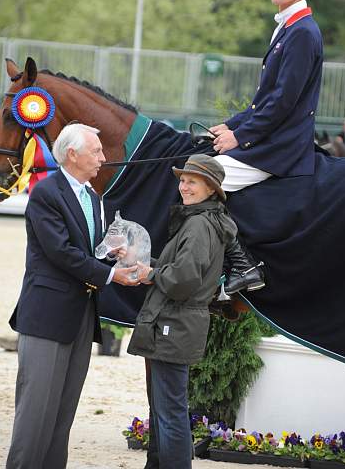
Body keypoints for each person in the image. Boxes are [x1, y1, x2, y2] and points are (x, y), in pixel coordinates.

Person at [6, 123, 138, 469]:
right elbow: (61, 252)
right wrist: (111, 274)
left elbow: (86, 251)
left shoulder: (93, 197)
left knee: (63, 414)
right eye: (96, 151)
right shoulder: (46, 193)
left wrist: (112, 253)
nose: (103, 157)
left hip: (81, 313)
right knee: (36, 414)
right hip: (47, 315)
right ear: (72, 154)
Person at [126, 154, 256, 469]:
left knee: (170, 413)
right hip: (176, 321)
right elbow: (181, 269)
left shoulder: (199, 224)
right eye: (182, 180)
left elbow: (184, 280)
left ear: (211, 189)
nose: (183, 186)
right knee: (166, 410)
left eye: (192, 181)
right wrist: (143, 263)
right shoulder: (201, 220)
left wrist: (152, 275)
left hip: (176, 322)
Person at [209, 0, 324, 295]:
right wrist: (232, 123)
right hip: (273, 135)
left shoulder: (303, 32)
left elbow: (283, 103)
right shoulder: (288, 27)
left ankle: (243, 264)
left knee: (203, 180)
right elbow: (265, 100)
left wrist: (240, 138)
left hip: (282, 147)